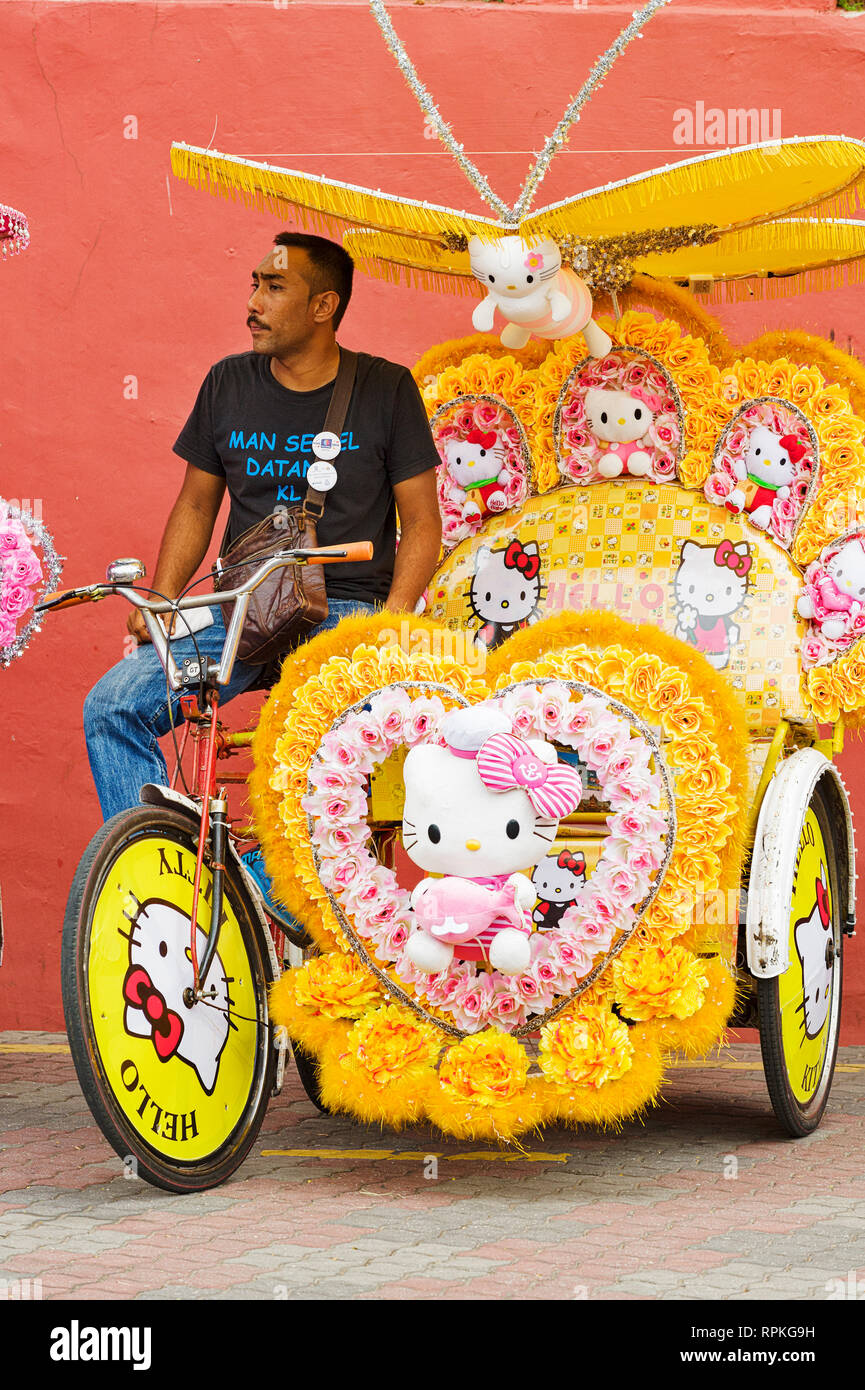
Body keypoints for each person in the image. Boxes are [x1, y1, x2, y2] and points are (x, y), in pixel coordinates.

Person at [83, 232, 443, 918]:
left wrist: (395, 617)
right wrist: (161, 596)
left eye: (273, 288)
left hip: (346, 607)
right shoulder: (227, 381)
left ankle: (276, 884)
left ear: (322, 305)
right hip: (240, 606)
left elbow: (421, 521)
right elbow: (195, 502)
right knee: (111, 708)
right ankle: (161, 874)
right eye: (253, 284)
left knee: (340, 749)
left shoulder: (385, 388)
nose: (252, 303)